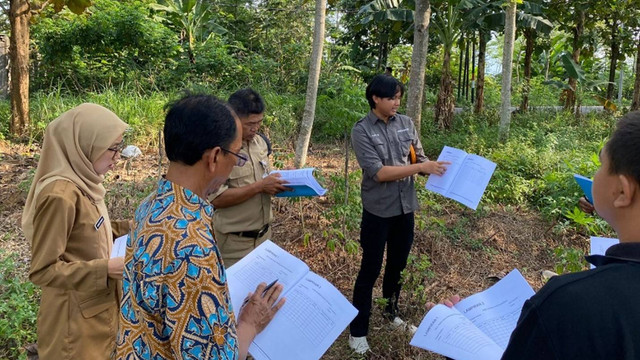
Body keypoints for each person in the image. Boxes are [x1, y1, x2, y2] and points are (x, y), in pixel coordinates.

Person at [431, 111, 640, 359]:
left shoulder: (568, 305)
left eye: (600, 164)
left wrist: (458, 344)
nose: (594, 174)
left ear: (622, 192)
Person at [116, 94, 285, 360]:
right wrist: (250, 324)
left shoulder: (149, 205)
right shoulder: (192, 247)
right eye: (237, 154)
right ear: (215, 157)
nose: (236, 163)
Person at [349, 74, 449, 354]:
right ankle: (358, 331)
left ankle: (391, 313)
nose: (396, 102)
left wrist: (436, 167)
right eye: (391, 98)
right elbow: (378, 173)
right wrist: (419, 169)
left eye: (399, 98)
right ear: (375, 99)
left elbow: (419, 157)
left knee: (397, 266)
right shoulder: (362, 131)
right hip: (378, 211)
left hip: (405, 209)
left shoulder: (406, 123)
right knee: (370, 269)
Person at [22, 103, 130, 359]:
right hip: (73, 325)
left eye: (119, 146)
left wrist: (130, 227)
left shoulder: (85, 182)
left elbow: (86, 229)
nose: (117, 157)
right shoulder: (60, 195)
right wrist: (106, 269)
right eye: (111, 149)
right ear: (84, 146)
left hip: (95, 312)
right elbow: (43, 269)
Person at [209, 88, 289, 267]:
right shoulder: (220, 149)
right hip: (233, 245)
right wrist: (260, 186)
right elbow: (216, 199)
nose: (255, 128)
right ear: (233, 119)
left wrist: (278, 184)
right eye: (250, 124)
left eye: (259, 122)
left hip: (264, 238)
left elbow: (264, 179)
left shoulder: (260, 143)